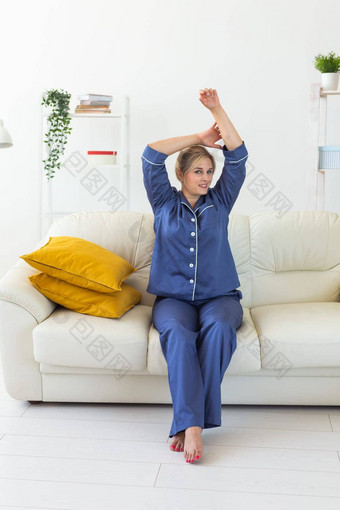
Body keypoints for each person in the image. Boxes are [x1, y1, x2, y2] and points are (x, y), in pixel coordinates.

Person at [141, 88, 248, 464]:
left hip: (220, 298)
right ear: (181, 174)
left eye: (209, 171)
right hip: (173, 300)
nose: (205, 178)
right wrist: (201, 138)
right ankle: (194, 423)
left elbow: (238, 154)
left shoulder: (220, 201)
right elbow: (152, 153)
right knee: (178, 334)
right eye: (198, 171)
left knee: (219, 329)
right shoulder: (163, 203)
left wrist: (217, 109)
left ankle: (191, 425)